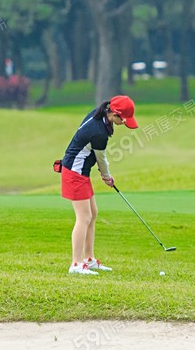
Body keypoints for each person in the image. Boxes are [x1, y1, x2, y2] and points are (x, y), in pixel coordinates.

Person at [59, 94, 138, 275]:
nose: (123, 124)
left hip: (81, 172)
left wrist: (105, 175)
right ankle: (76, 264)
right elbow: (101, 159)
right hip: (74, 172)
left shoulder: (100, 115)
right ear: (115, 114)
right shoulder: (99, 132)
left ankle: (89, 259)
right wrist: (107, 177)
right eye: (123, 120)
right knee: (84, 217)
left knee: (93, 214)